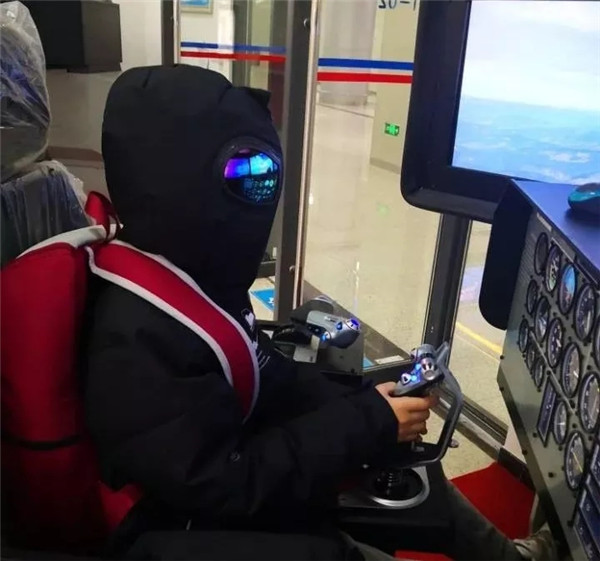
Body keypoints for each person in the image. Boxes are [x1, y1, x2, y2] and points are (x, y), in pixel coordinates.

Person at [84, 65, 556, 561]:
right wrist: (365, 424)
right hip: (187, 523)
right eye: (242, 175)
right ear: (174, 181)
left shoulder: (193, 275)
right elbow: (221, 482)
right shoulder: (134, 337)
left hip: (235, 465)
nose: (259, 193)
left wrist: (368, 405)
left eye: (265, 175)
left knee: (418, 480)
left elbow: (267, 373)